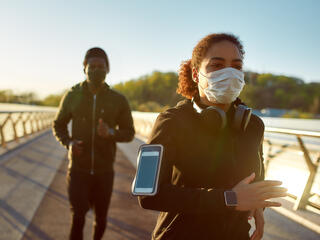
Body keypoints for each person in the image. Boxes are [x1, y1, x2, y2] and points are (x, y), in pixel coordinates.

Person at [138, 33, 288, 240]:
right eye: (217, 66)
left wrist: (258, 209)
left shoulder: (253, 125)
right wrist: (229, 198)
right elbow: (147, 194)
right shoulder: (169, 121)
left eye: (236, 66)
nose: (229, 73)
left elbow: (254, 180)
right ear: (195, 74)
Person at [53, 47, 135, 240]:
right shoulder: (72, 96)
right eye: (92, 66)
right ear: (84, 68)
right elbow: (58, 125)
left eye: (100, 66)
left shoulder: (118, 100)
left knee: (101, 218)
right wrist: (68, 142)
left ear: (108, 69)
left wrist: (111, 133)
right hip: (78, 170)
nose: (96, 70)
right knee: (78, 217)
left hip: (104, 171)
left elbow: (130, 133)